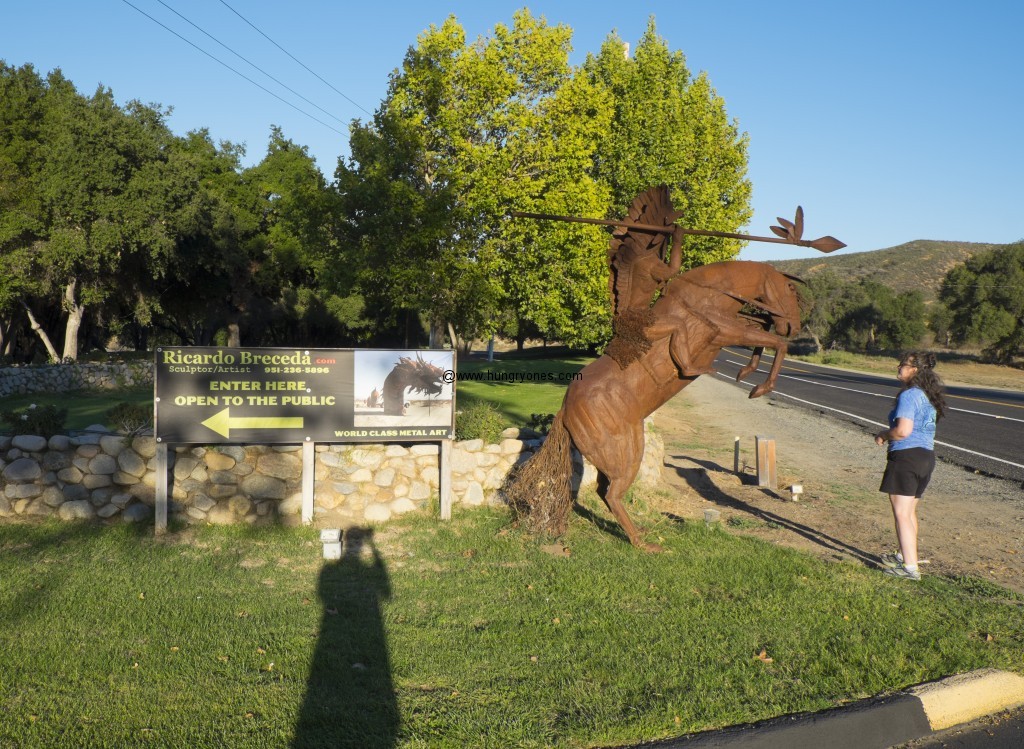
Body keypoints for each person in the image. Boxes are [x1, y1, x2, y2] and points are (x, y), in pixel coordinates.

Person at [874, 351, 947, 580]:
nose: (899, 367)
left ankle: (910, 569)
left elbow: (903, 431)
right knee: (909, 511)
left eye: (903, 364)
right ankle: (906, 555)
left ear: (914, 370)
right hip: (926, 457)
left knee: (901, 513)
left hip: (906, 457)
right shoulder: (928, 396)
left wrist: (884, 435)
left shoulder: (910, 395)